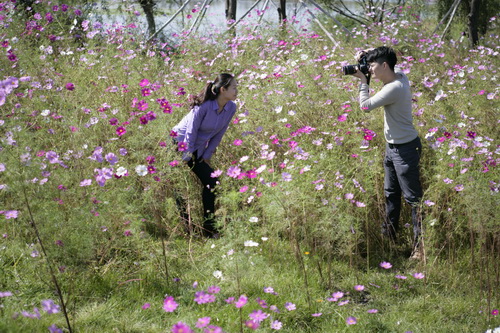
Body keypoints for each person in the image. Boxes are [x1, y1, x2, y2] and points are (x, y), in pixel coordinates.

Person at [352, 46, 424, 259]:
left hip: (405, 150)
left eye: (372, 66)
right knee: (391, 194)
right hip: (392, 147)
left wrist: (363, 82)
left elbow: (365, 106)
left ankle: (420, 249)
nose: (370, 70)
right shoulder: (400, 75)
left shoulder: (394, 87)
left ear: (385, 65)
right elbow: (386, 57)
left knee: (413, 199)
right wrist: (367, 57)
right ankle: (389, 240)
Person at [172, 73, 238, 238]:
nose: (237, 91)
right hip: (179, 143)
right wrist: (187, 157)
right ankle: (187, 229)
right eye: (234, 88)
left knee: (212, 182)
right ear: (223, 90)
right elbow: (190, 132)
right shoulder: (203, 107)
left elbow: (220, 132)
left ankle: (209, 230)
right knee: (180, 185)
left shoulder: (231, 107)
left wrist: (207, 155)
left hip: (198, 148)